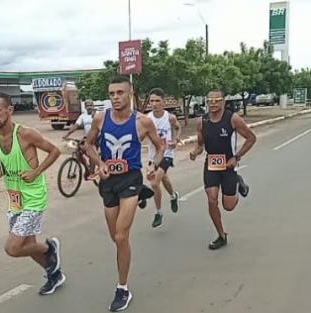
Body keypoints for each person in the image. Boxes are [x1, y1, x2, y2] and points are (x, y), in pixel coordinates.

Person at [85, 76, 164, 311]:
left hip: (131, 179)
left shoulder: (142, 122)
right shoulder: (100, 118)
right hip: (108, 182)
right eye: (112, 93)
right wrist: (99, 163)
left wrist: (153, 165)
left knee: (121, 237)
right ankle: (140, 196)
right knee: (116, 239)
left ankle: (122, 288)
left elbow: (160, 147)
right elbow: (88, 145)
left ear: (130, 94)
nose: (116, 97)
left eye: (120, 92)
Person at [0, 91, 64, 295]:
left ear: (10, 110)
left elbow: (54, 151)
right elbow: (0, 167)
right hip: (15, 200)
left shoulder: (26, 134)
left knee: (13, 248)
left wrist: (35, 172)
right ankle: (55, 276)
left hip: (34, 197)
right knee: (28, 243)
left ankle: (49, 249)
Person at [189, 90, 257, 250]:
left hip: (229, 166)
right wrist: (195, 152)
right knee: (212, 199)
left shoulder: (232, 119)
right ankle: (221, 235)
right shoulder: (202, 121)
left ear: (223, 101)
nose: (213, 103)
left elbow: (251, 138)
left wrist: (237, 157)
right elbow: (200, 144)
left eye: (217, 100)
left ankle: (238, 181)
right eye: (210, 101)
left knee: (229, 206)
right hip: (211, 164)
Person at [144, 88, 182, 228]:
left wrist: (176, 140)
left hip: (167, 154)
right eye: (152, 101)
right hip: (153, 155)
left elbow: (177, 128)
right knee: (164, 177)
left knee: (154, 183)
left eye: (157, 101)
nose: (154, 104)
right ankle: (173, 196)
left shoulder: (170, 117)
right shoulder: (147, 119)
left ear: (163, 102)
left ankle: (158, 212)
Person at [63, 100, 97, 179]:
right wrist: (67, 134)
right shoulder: (83, 116)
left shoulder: (97, 115)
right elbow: (76, 125)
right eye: (87, 106)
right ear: (85, 107)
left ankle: (92, 172)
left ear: (93, 106)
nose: (89, 107)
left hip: (97, 137)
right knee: (78, 152)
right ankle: (87, 168)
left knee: (91, 151)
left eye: (91, 105)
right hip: (88, 137)